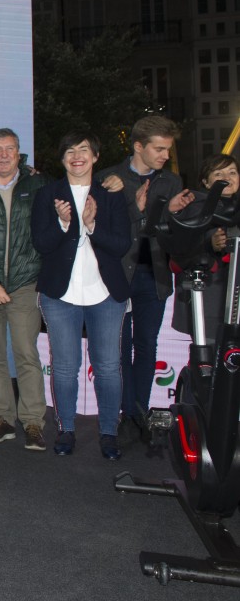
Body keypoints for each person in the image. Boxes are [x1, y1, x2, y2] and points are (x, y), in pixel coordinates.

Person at [32, 131, 132, 460]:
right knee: (64, 367)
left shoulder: (111, 193)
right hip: (60, 294)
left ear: (95, 156)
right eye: (70, 151)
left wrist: (91, 225)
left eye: (84, 150)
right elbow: (41, 244)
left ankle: (109, 432)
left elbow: (121, 245)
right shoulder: (48, 194)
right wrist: (64, 223)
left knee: (108, 366)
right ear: (62, 159)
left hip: (106, 293)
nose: (77, 156)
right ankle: (66, 429)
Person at [98, 115, 191, 440]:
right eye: (159, 149)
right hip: (117, 275)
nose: (165, 155)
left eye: (168, 149)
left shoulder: (172, 182)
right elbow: (102, 228)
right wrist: (136, 208)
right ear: (138, 146)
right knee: (119, 349)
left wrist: (174, 215)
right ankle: (127, 413)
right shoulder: (108, 178)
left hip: (154, 275)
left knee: (147, 345)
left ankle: (139, 411)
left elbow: (172, 233)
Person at [0, 129, 49, 451]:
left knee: (27, 353)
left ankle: (33, 421)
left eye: (10, 149)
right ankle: (3, 417)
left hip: (25, 284)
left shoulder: (39, 185)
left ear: (19, 153)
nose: (3, 155)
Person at [170, 154, 240, 343]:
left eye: (232, 172)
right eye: (219, 174)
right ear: (206, 182)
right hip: (208, 299)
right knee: (208, 354)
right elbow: (181, 247)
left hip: (235, 300)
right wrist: (210, 243)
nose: (227, 178)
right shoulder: (195, 206)